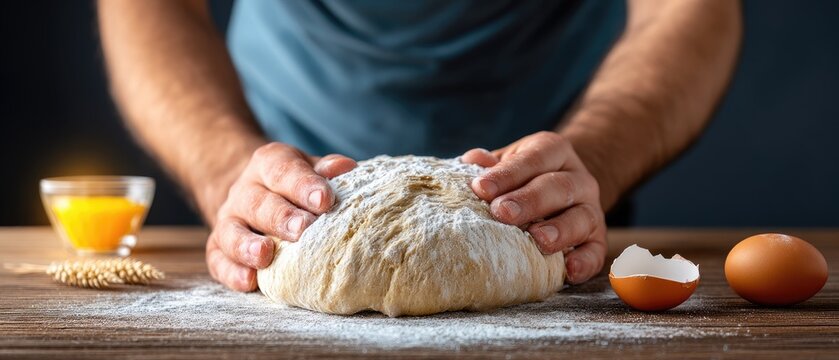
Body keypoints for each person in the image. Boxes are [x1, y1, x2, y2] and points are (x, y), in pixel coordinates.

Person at [97, 0, 741, 292]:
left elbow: (687, 10)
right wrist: (224, 168)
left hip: (543, 203)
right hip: (287, 197)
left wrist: (594, 158)